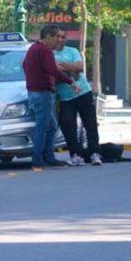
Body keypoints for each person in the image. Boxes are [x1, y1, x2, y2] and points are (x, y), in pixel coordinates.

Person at [23, 25, 81, 171]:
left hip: (35, 92)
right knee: (42, 127)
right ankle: (37, 160)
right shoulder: (45, 50)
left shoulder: (33, 49)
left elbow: (25, 65)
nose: (58, 41)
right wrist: (70, 82)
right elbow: (52, 70)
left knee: (52, 125)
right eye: (56, 37)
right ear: (48, 37)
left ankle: (49, 157)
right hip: (43, 93)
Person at [53, 32, 102, 166]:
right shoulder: (49, 54)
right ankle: (76, 155)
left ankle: (94, 154)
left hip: (83, 92)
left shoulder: (72, 51)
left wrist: (61, 65)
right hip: (65, 98)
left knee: (90, 124)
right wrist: (69, 68)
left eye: (63, 37)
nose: (61, 39)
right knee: (68, 126)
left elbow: (79, 68)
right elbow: (54, 73)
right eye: (58, 36)